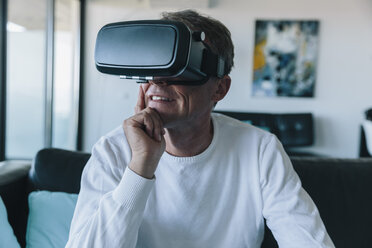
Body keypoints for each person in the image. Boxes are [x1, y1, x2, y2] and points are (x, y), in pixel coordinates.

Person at [66, 10, 334, 248]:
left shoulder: (260, 149)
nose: (158, 80)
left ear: (220, 88)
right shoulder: (112, 150)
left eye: (178, 67)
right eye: (154, 66)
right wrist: (140, 168)